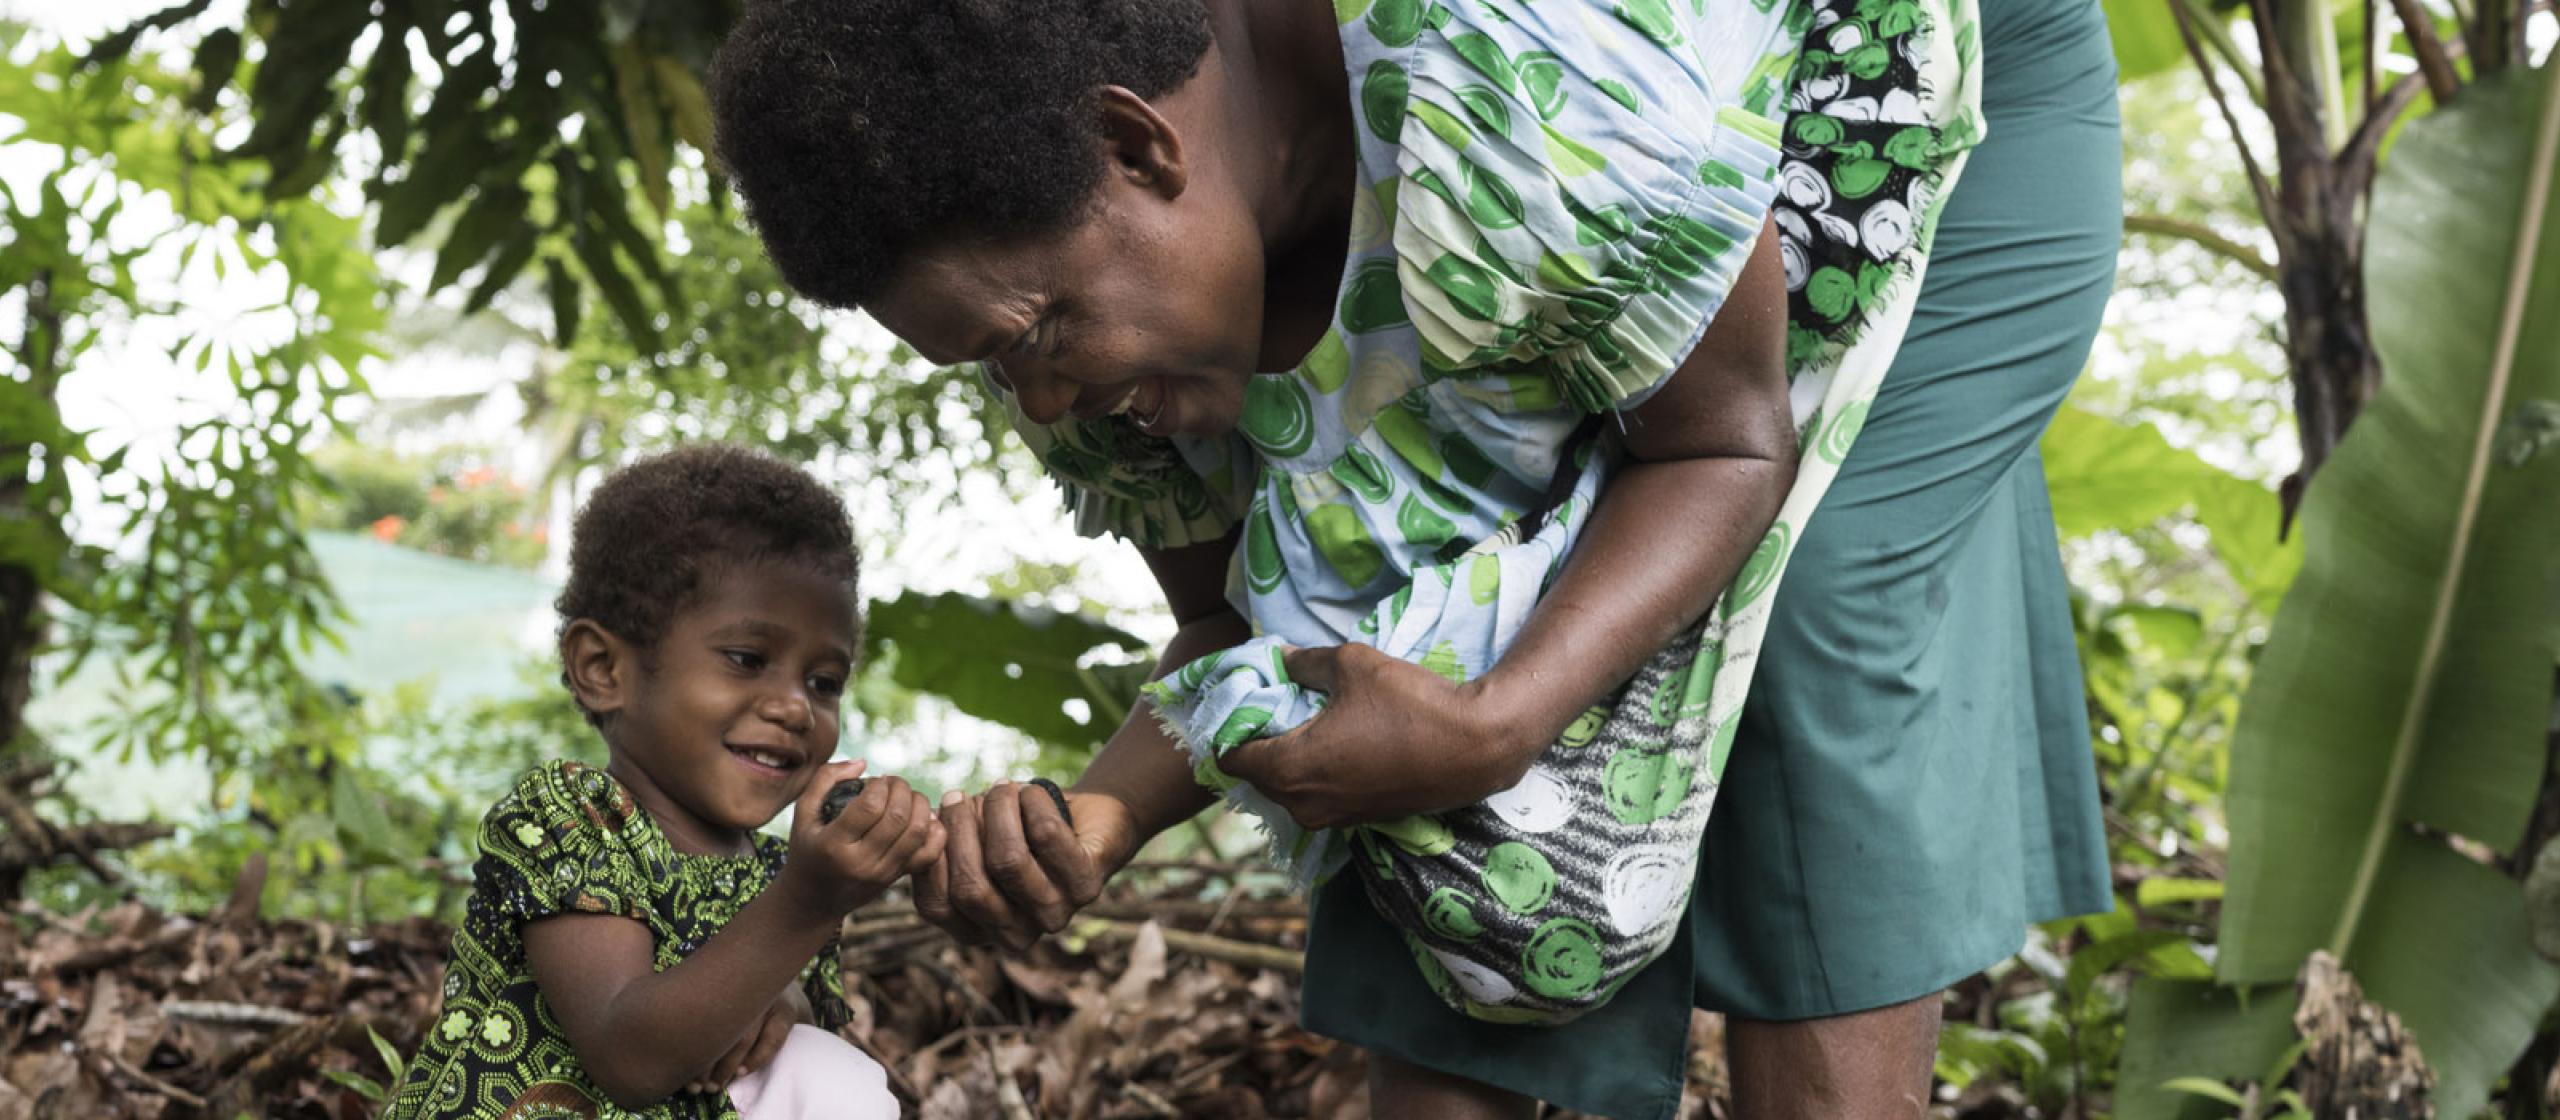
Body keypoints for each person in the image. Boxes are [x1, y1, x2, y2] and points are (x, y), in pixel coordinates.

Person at [709, 0, 2119, 1112]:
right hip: (1629, 217)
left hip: (1877, 87)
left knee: (1797, 605)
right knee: (1399, 660)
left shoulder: (1508, 102)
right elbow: (1245, 635)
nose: (1042, 405)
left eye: (1034, 345)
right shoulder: (1068, 287)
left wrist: (1499, 726)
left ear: (1139, 146)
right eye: (991, 368)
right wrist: (1102, 821)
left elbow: (1721, 451)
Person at [382, 446, 937, 1120]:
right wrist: (808, 903)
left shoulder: (779, 873)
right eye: (747, 659)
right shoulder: (573, 819)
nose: (795, 707)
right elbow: (629, 1057)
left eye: (823, 682)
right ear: (603, 668)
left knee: (831, 1070)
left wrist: (784, 1000)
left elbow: (788, 1081)